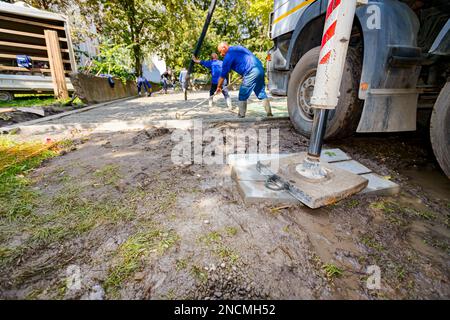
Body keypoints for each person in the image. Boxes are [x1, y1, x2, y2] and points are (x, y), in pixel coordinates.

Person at [215, 42, 272, 118]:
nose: (221, 54)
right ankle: (269, 114)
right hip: (259, 68)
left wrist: (219, 87)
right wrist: (244, 73)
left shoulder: (228, 56)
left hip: (250, 71)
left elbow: (222, 75)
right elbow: (248, 58)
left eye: (220, 51)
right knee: (260, 92)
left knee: (243, 94)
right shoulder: (239, 48)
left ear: (224, 48)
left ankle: (241, 116)